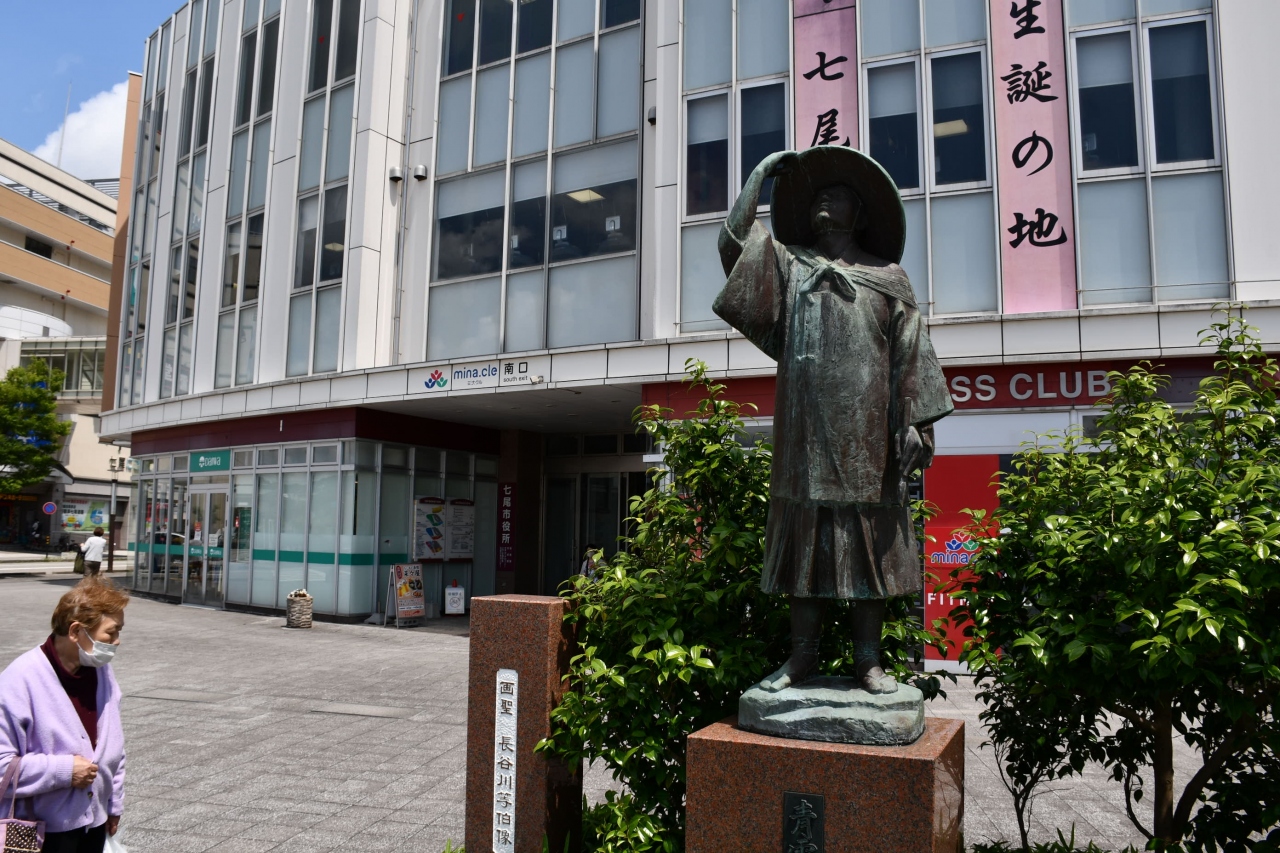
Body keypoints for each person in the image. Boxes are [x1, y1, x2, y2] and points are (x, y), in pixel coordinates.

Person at [714, 146, 952, 695]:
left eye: (837, 195)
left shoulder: (888, 278)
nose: (824, 201)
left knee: (868, 554)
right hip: (803, 434)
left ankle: (869, 662)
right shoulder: (789, 263)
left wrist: (915, 423)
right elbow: (732, 246)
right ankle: (801, 658)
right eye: (818, 196)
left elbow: (911, 355)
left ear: (860, 213)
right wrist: (758, 177)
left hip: (868, 438)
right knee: (806, 549)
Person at [0, 577, 129, 852]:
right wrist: (64, 771)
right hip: (38, 832)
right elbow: (2, 767)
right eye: (111, 632)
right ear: (76, 631)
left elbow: (115, 747)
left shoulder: (101, 672)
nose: (117, 641)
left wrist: (114, 803)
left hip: (94, 825)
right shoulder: (19, 681)